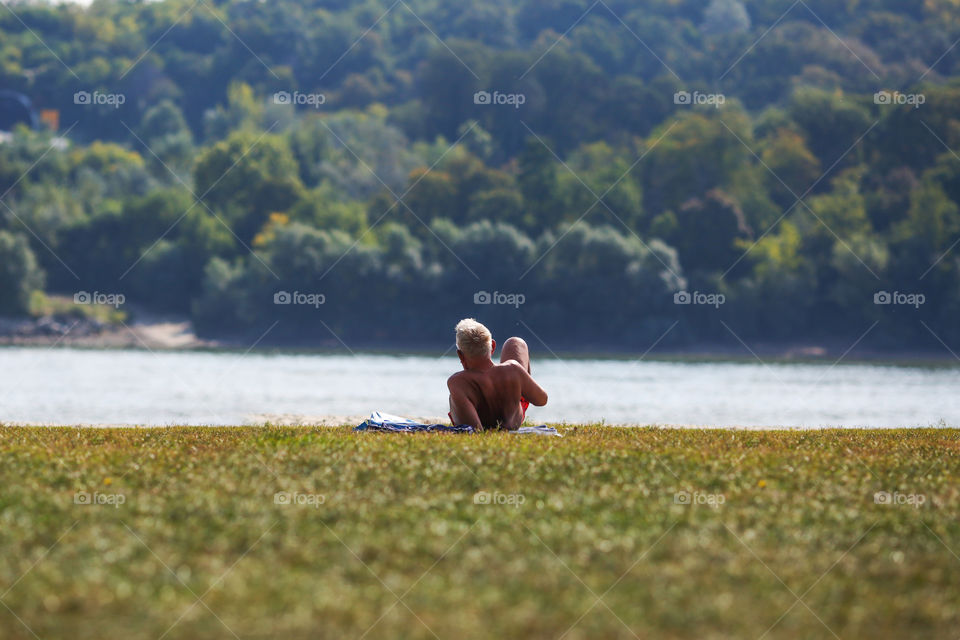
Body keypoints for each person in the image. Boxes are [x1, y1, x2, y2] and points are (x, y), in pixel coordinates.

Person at [447, 318, 548, 430]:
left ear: (460, 355)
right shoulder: (513, 368)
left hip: (482, 424)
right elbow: (542, 400)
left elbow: (474, 429)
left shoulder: (458, 381)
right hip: (514, 421)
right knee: (515, 343)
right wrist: (519, 380)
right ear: (493, 346)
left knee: (454, 395)